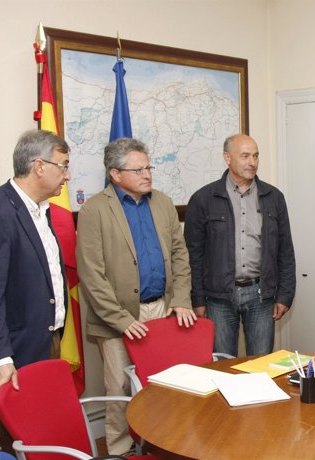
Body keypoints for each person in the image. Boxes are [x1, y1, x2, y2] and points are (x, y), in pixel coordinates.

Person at [76, 138, 195, 455]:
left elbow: (179, 255)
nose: (147, 174)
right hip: (119, 317)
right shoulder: (95, 210)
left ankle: (162, 440)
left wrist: (181, 299)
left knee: (164, 382)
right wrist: (121, 319)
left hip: (162, 309)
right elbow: (91, 273)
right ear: (116, 174)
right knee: (120, 387)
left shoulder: (163, 203)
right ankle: (119, 449)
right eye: (138, 169)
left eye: (148, 167)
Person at [0, 129, 71, 453]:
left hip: (44, 342)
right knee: (20, 445)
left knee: (45, 440)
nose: (68, 175)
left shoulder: (39, 209)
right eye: (63, 166)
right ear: (39, 166)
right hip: (13, 354)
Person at [184, 134, 296, 357]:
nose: (252, 162)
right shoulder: (204, 199)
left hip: (261, 295)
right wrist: (197, 298)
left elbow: (285, 251)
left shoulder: (274, 197)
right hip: (218, 298)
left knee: (261, 364)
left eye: (255, 156)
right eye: (245, 156)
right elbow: (193, 255)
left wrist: (284, 295)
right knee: (223, 365)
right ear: (227, 157)